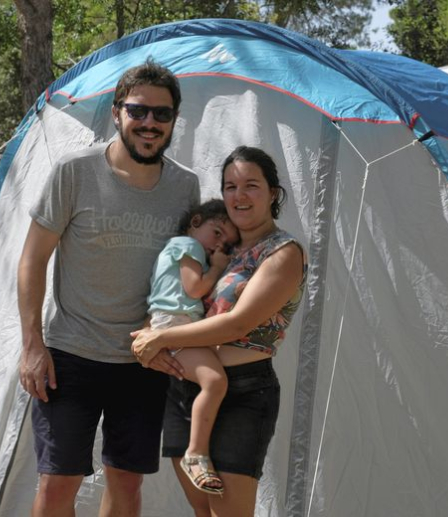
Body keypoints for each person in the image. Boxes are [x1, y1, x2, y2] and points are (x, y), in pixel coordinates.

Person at [17, 59, 199, 517]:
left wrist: (155, 332)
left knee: (126, 485)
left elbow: (181, 273)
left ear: (175, 120)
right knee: (57, 485)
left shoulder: (186, 187)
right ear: (117, 113)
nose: (150, 123)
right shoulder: (74, 172)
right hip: (69, 356)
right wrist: (32, 345)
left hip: (143, 359)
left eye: (162, 114)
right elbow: (32, 259)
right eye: (139, 111)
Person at [131, 145, 308, 517]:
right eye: (230, 186)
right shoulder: (216, 249)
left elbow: (238, 323)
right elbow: (177, 299)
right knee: (203, 513)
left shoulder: (283, 252)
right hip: (185, 388)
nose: (238, 196)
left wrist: (161, 339)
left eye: (251, 186)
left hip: (243, 393)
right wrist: (151, 333)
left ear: (273, 194)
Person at [145, 199, 238, 495]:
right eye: (218, 233)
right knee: (215, 380)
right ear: (196, 222)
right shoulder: (189, 246)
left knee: (211, 377)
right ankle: (196, 453)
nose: (219, 244)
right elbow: (195, 288)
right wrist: (219, 267)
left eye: (227, 242)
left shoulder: (177, 248)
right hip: (177, 325)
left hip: (173, 323)